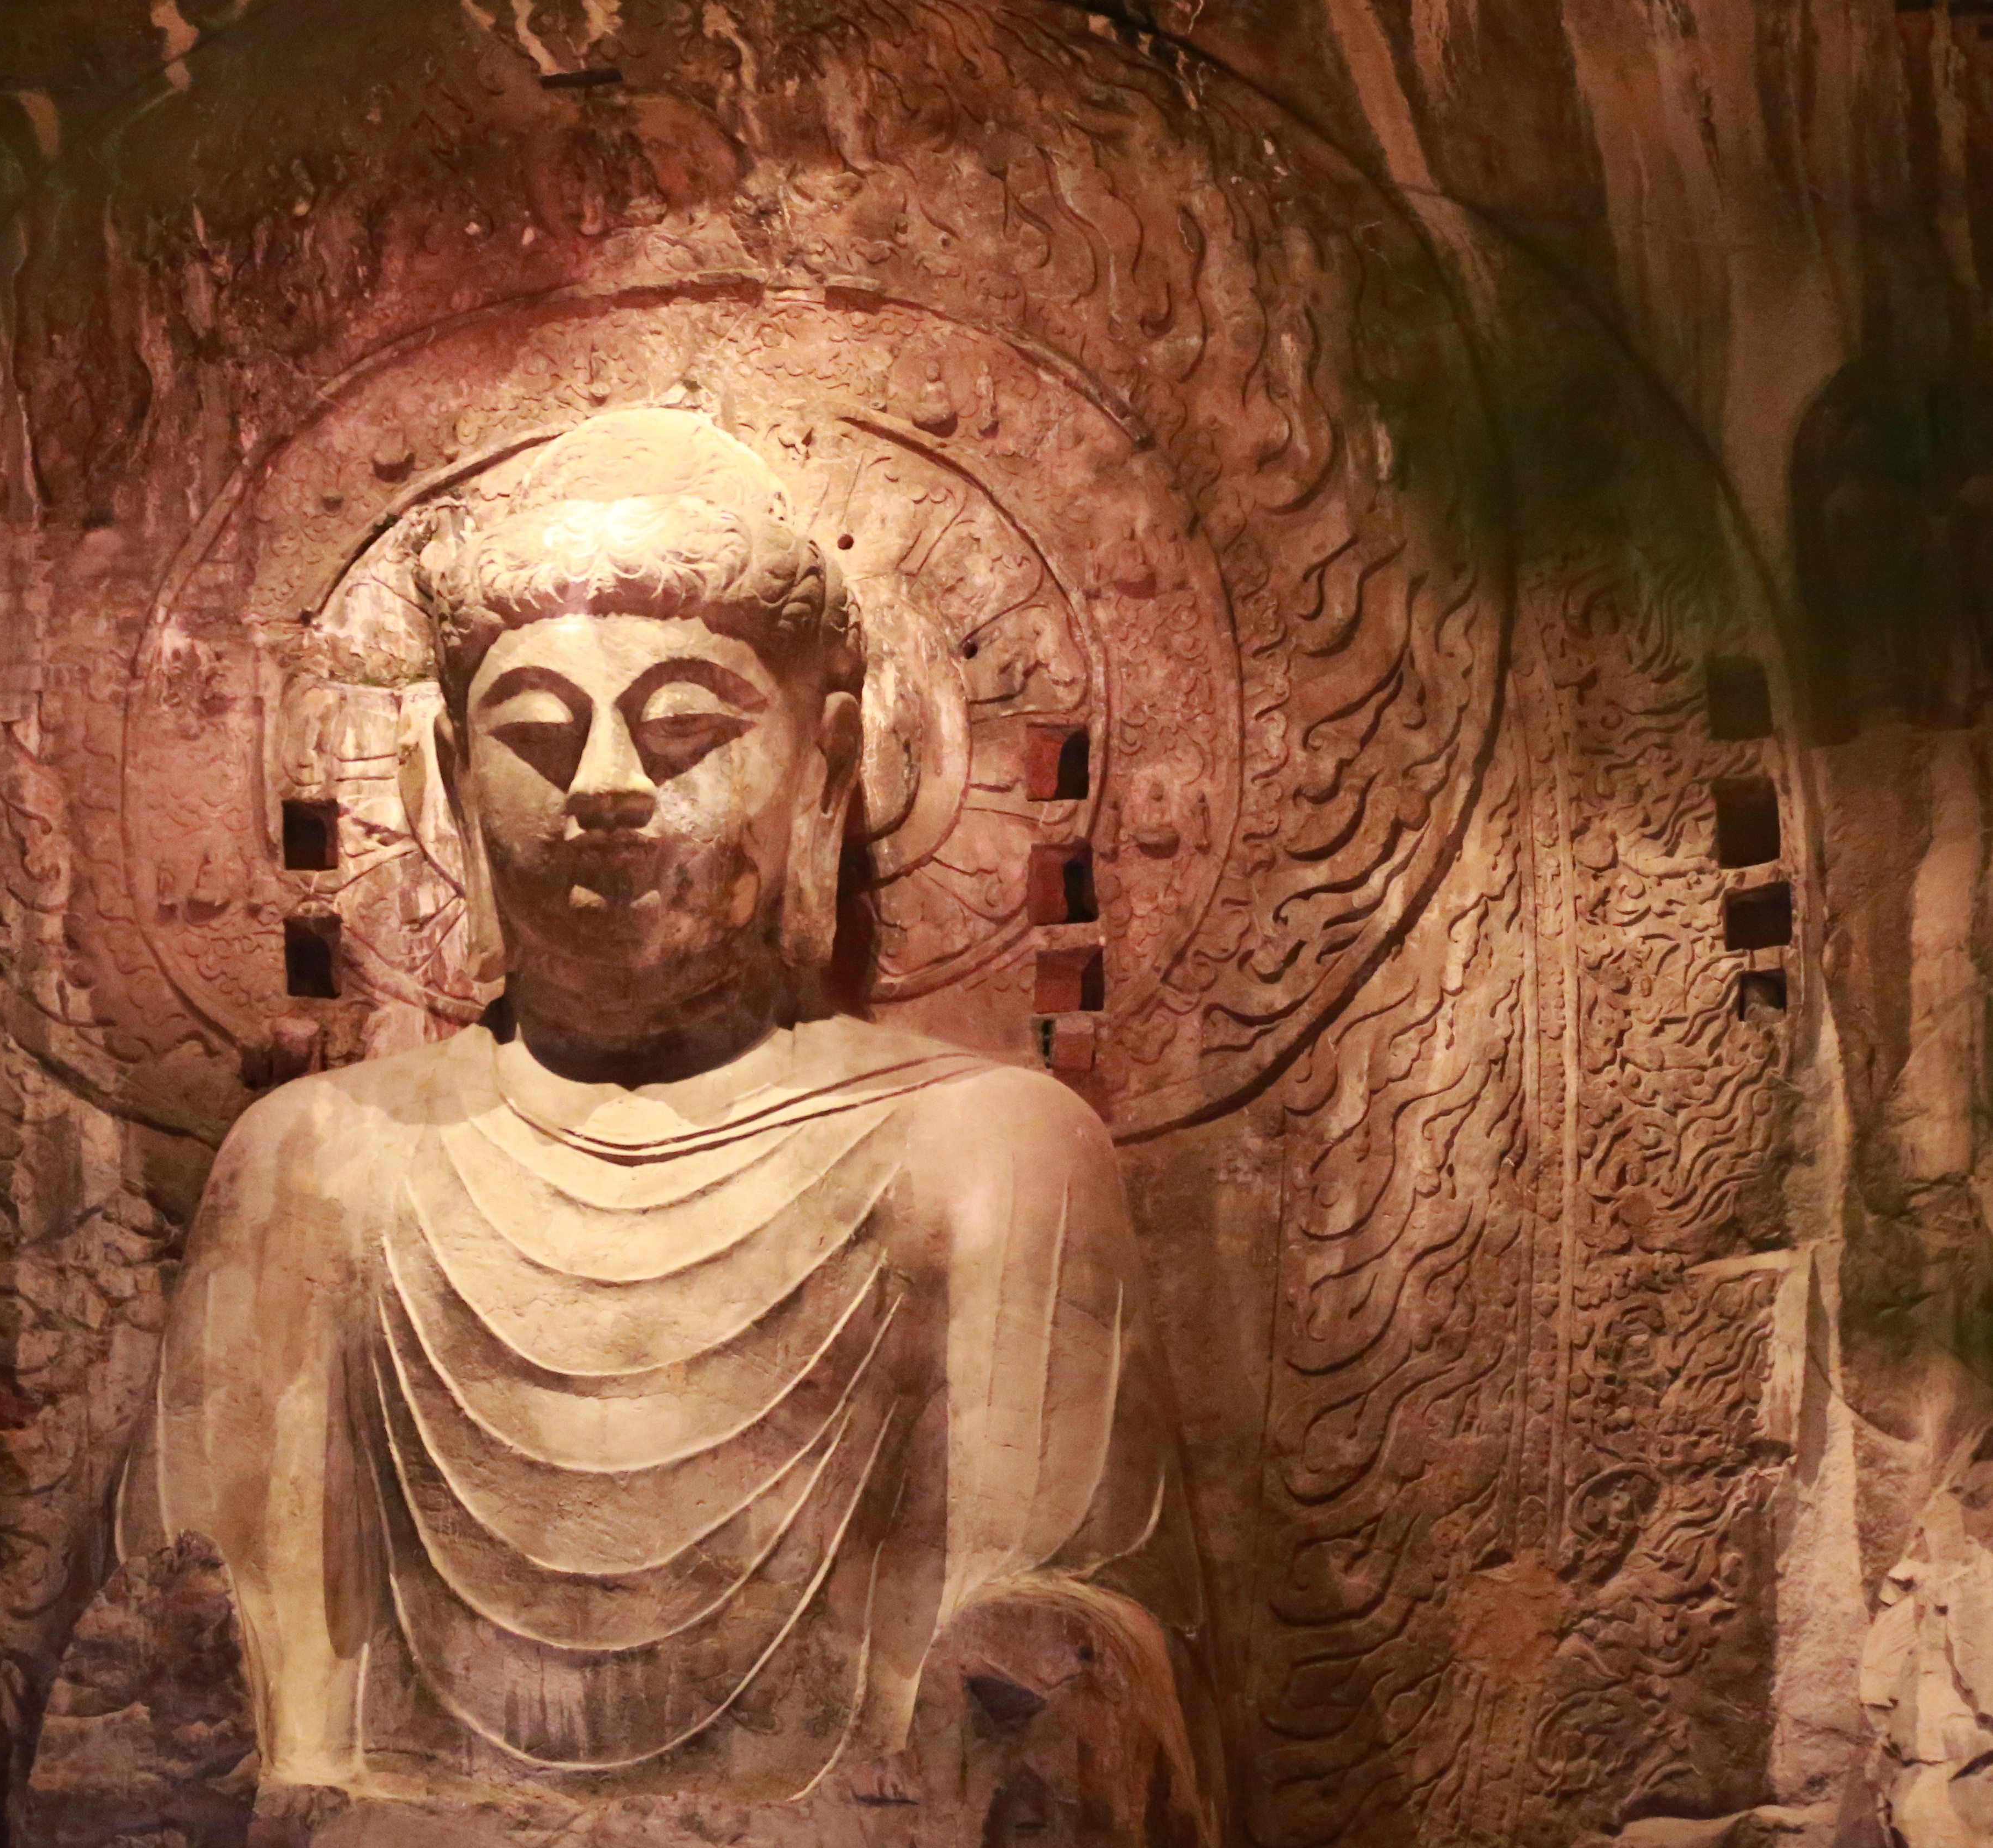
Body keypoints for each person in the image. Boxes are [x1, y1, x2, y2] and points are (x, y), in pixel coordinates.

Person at [125, 409, 1217, 1841]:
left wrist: (1049, 1677)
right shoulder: (317, 1164)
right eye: (534, 734)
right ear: (445, 786)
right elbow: (204, 1700)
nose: (603, 788)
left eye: (685, 728)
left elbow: (1057, 1676)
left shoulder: (988, 1153)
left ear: (826, 771)